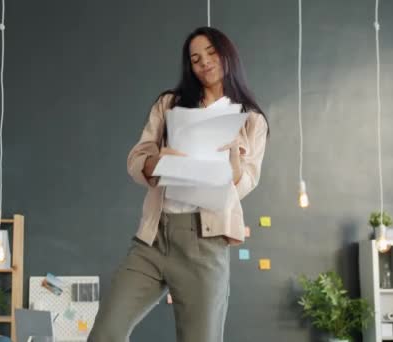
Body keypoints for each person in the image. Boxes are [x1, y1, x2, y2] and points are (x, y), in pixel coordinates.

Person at [88, 26, 269, 342]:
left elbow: (247, 182)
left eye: (211, 53)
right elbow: (136, 157)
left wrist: (235, 165)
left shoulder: (251, 119)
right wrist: (156, 162)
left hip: (205, 242)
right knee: (106, 333)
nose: (204, 63)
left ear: (227, 54)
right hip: (153, 237)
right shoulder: (169, 104)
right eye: (196, 58)